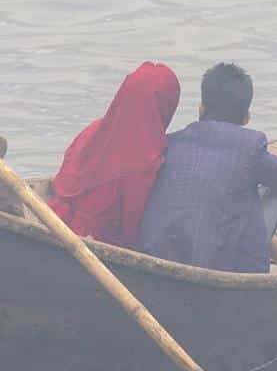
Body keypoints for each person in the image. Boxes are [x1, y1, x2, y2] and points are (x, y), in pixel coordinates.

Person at [135, 63, 277, 273]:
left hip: (158, 264)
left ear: (201, 108)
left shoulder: (170, 144)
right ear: (246, 118)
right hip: (226, 268)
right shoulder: (250, 148)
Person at [45, 62, 181, 245]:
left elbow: (63, 182)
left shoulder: (93, 130)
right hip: (98, 242)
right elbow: (133, 230)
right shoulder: (150, 160)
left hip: (54, 222)